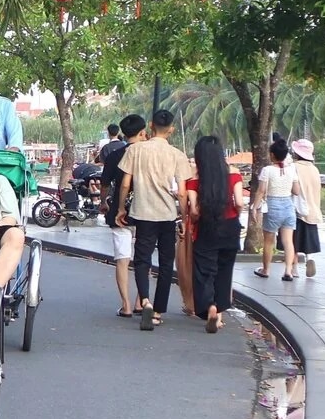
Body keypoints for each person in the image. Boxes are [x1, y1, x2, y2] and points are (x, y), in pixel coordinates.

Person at [116, 109, 188, 331]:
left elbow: (126, 183)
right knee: (166, 263)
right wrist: (183, 218)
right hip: (167, 215)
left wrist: (120, 208)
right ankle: (157, 312)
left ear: (150, 125)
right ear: (172, 129)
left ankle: (144, 300)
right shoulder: (177, 155)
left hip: (142, 213)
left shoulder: (135, 150)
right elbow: (183, 192)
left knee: (142, 260)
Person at [183, 136, 248, 333]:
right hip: (230, 228)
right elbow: (239, 202)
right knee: (224, 271)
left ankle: (210, 306)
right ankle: (218, 315)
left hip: (206, 227)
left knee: (204, 271)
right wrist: (235, 214)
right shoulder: (234, 174)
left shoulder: (194, 179)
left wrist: (194, 219)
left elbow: (193, 211)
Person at [101, 115, 144, 316]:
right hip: (146, 211)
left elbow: (105, 183)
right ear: (143, 132)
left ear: (123, 133)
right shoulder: (148, 155)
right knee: (143, 258)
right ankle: (139, 302)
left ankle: (125, 305)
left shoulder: (114, 155)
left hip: (120, 211)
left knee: (122, 259)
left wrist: (103, 202)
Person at [252, 136, 300, 282]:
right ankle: (288, 271)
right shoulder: (292, 170)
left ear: (272, 154)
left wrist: (255, 207)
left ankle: (266, 270)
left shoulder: (267, 170)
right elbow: (296, 191)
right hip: (288, 207)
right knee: (288, 241)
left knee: (268, 241)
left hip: (273, 206)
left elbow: (261, 191)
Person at [291, 138, 324, 280]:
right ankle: (310, 257)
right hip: (313, 209)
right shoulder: (314, 169)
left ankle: (294, 268)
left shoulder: (293, 167)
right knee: (308, 236)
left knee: (293, 240)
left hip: (296, 209)